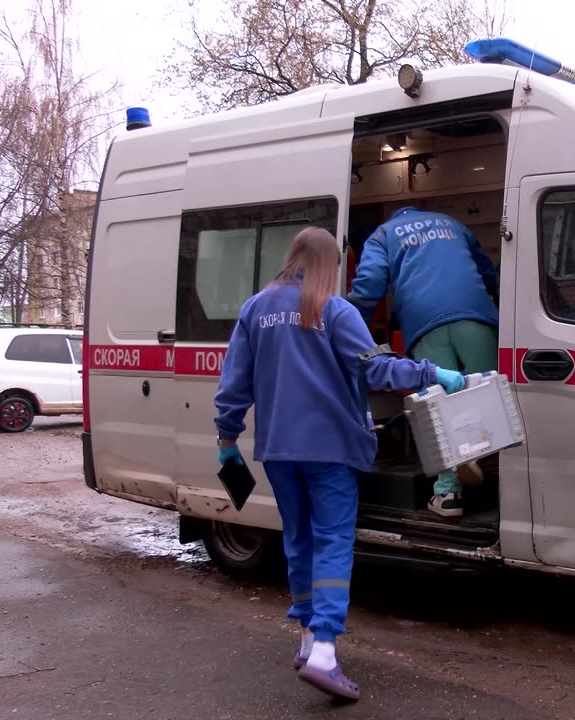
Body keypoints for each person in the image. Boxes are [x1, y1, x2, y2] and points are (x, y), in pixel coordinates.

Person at [213, 226, 464, 702]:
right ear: (332, 263)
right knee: (332, 542)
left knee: (298, 540)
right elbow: (376, 368)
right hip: (330, 451)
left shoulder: (255, 308)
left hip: (279, 451)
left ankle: (308, 640)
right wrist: (434, 372)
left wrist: (227, 440)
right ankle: (326, 651)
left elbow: (234, 385)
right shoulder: (335, 309)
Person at [346, 206, 499, 518]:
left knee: (438, 403)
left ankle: (448, 494)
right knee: (486, 394)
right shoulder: (453, 223)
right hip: (477, 314)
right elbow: (486, 269)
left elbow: (369, 285)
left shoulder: (383, 234)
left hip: (425, 321)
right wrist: (498, 299)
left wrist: (347, 325)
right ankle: (489, 464)